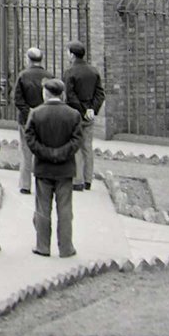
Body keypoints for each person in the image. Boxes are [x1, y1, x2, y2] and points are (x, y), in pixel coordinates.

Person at [24, 78, 83, 258]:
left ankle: (43, 246)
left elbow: (30, 140)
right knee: (65, 209)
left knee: (42, 208)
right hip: (65, 168)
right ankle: (66, 247)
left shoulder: (35, 113)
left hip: (43, 167)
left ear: (45, 93)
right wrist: (60, 153)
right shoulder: (73, 115)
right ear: (62, 93)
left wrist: (47, 153)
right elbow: (76, 141)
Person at [63, 41, 105, 191]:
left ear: (73, 55)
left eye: (68, 52)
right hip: (89, 115)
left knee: (76, 147)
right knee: (87, 146)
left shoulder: (69, 73)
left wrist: (82, 110)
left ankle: (77, 180)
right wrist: (92, 109)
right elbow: (100, 93)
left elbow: (70, 95)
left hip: (75, 114)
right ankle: (88, 180)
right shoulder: (93, 71)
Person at [13, 46, 52, 194]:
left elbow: (17, 99)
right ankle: (43, 184)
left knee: (25, 151)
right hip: (45, 119)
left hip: (25, 119)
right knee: (43, 151)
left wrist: (28, 111)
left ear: (28, 59)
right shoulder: (49, 75)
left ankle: (25, 185)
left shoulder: (23, 75)